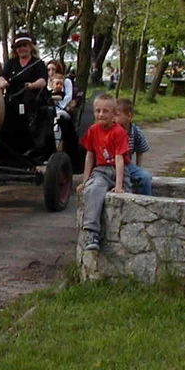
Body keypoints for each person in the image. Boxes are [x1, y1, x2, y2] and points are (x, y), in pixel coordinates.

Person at [77, 95, 129, 252]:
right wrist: (85, 181)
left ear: (114, 114)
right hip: (101, 171)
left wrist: (119, 185)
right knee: (93, 190)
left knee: (128, 197)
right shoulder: (93, 130)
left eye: (105, 111)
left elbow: (119, 159)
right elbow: (90, 156)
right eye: (97, 111)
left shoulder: (118, 132)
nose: (101, 115)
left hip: (118, 170)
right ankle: (92, 232)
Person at [116, 98, 152, 195]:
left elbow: (140, 152)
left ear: (129, 116)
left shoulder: (136, 133)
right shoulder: (110, 131)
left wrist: (138, 168)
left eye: (117, 115)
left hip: (127, 165)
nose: (113, 118)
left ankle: (145, 200)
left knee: (145, 177)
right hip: (110, 164)